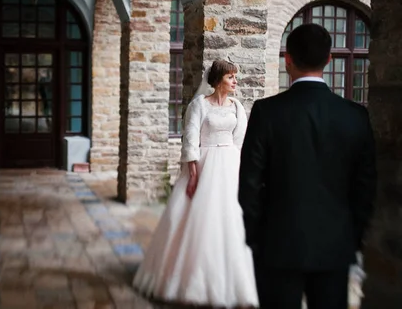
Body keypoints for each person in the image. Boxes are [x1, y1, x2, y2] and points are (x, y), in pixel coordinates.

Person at [239, 23, 377, 309]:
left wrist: (256, 238)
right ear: (329, 59)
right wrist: (352, 238)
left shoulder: (267, 112)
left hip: (277, 244)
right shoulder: (355, 116)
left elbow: (249, 184)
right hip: (335, 245)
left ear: (287, 59)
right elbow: (365, 188)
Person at [133, 59, 259, 308]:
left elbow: (240, 141)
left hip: (230, 165)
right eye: (231, 77)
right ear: (218, 79)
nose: (235, 81)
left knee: (231, 220)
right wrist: (192, 172)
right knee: (199, 219)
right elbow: (190, 139)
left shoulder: (237, 108)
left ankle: (233, 280)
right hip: (205, 163)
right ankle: (187, 279)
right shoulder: (199, 105)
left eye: (236, 77)